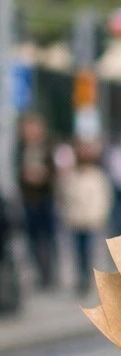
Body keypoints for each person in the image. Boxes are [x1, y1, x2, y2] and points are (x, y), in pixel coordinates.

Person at [58, 141, 113, 294]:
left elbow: (104, 197)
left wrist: (100, 216)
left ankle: (87, 278)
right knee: (76, 251)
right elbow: (63, 196)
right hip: (75, 219)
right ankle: (80, 277)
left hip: (91, 219)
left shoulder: (97, 176)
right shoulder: (70, 176)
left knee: (89, 251)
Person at [17, 112, 58, 289]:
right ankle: (40, 271)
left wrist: (43, 176)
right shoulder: (19, 149)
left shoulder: (48, 147)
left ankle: (49, 271)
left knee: (48, 236)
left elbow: (55, 172)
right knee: (32, 237)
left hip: (45, 197)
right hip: (28, 199)